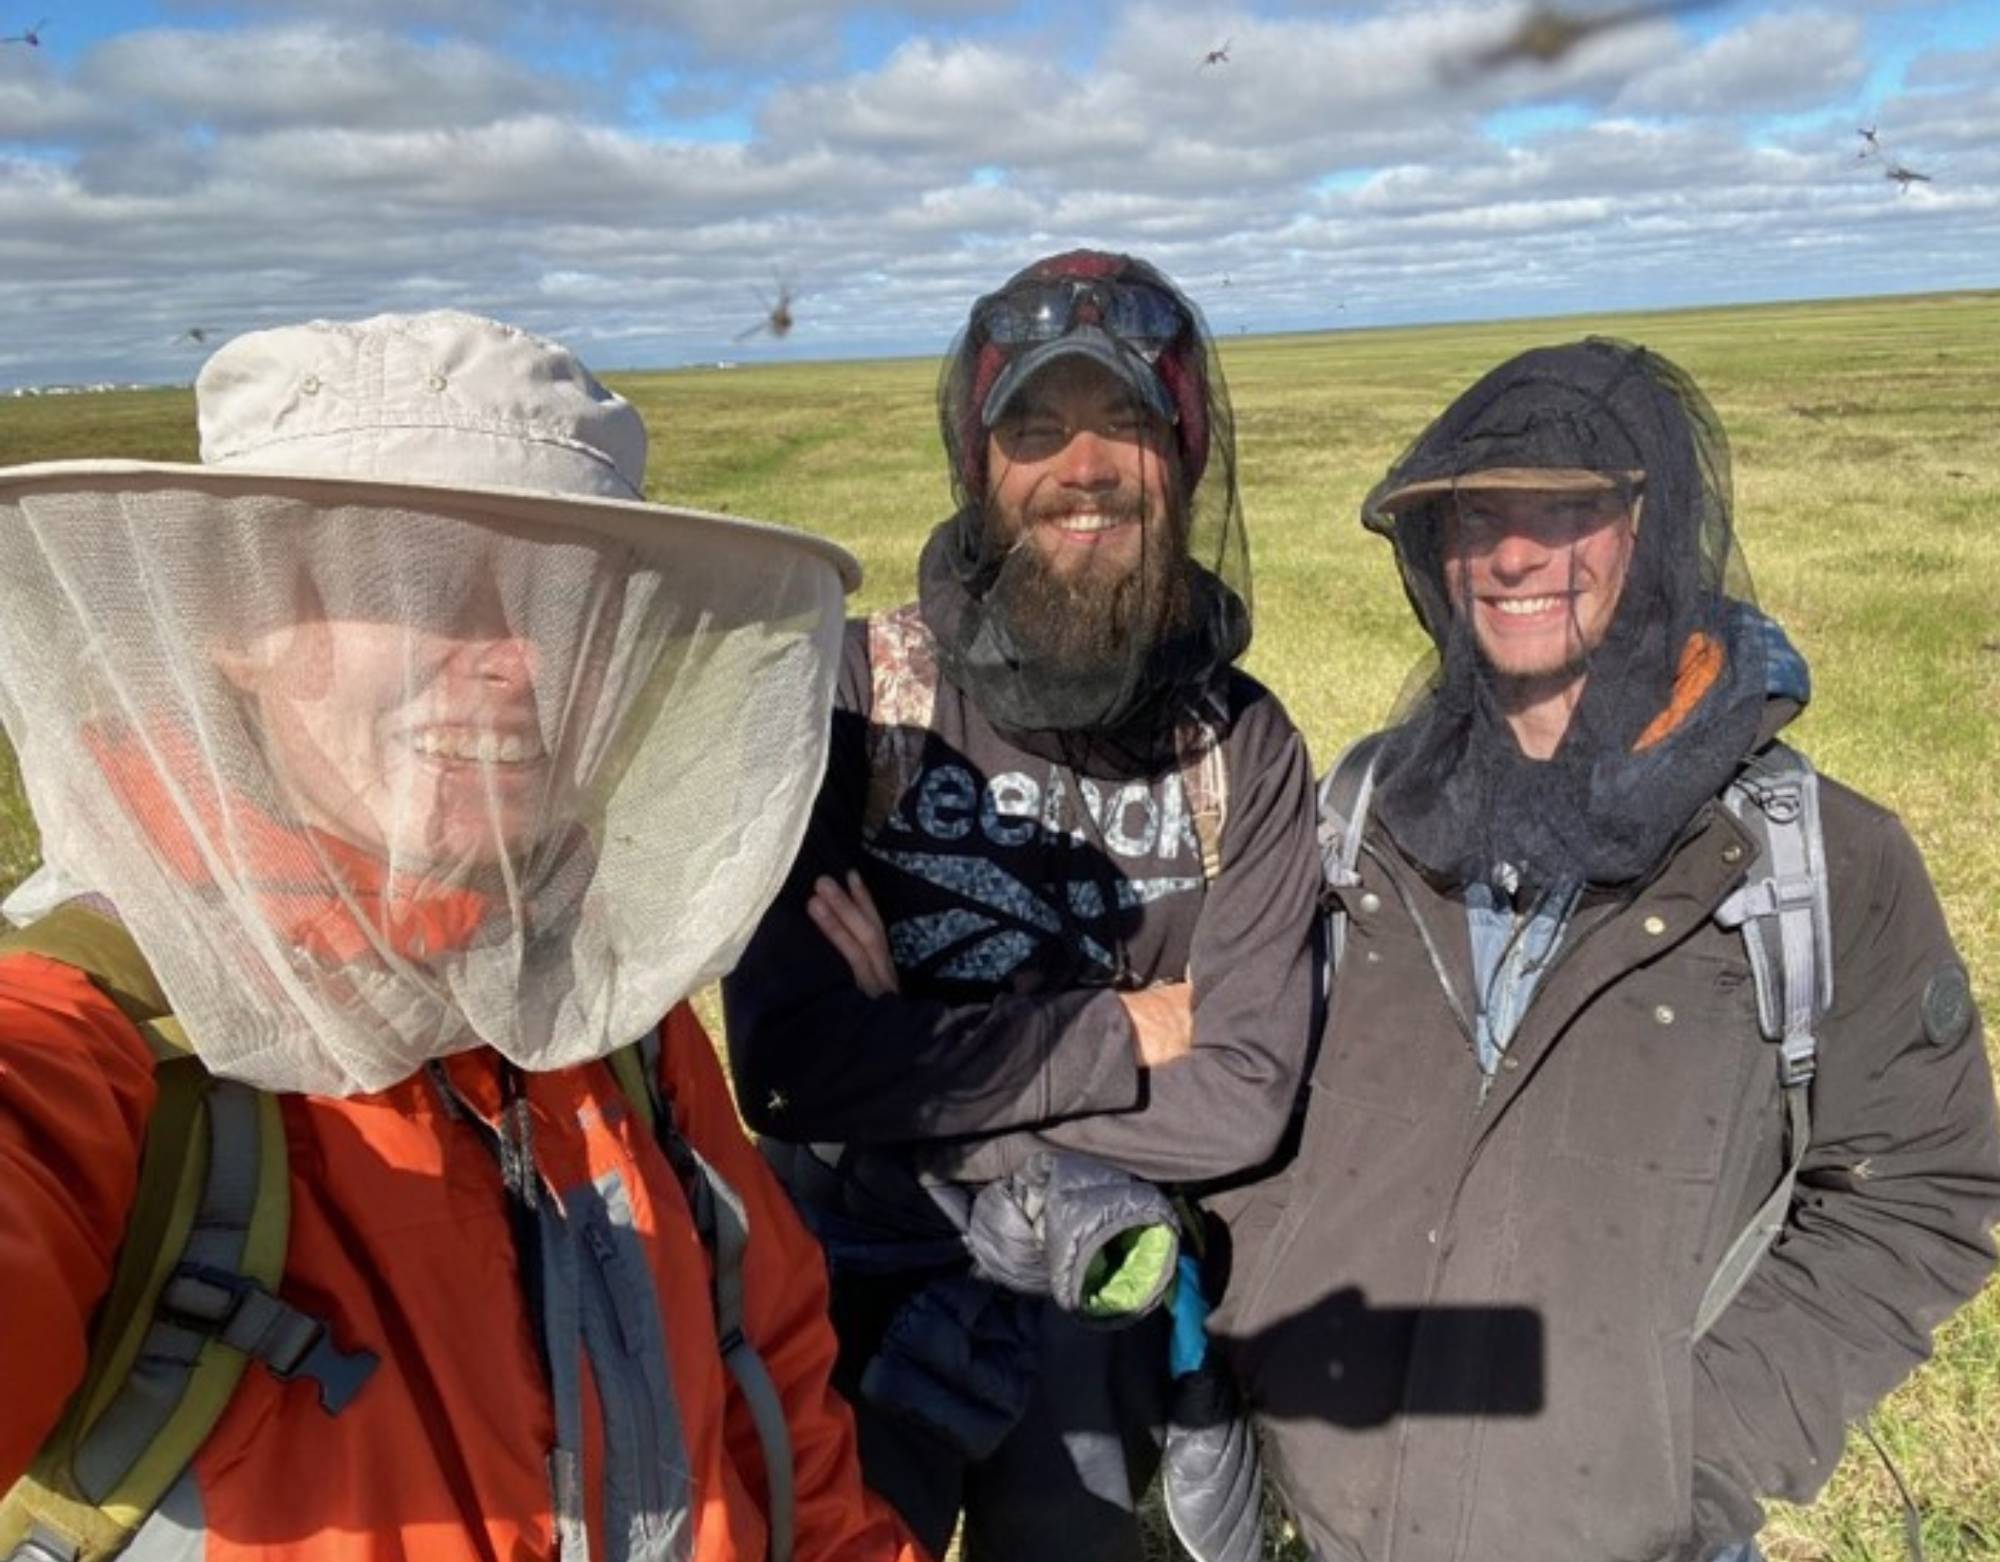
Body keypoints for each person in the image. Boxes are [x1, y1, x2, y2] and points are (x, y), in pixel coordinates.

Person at [0, 311, 929, 1562]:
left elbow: (784, 1423)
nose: (513, 660)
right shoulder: (90, 1036)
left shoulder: (616, 1025)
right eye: (424, 582)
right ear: (235, 620)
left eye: (563, 601)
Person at [1210, 338, 2000, 1562]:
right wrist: (1261, 1317)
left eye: (1566, 507)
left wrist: (1699, 1445)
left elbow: (1921, 1189)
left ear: (1654, 522)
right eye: (1478, 514)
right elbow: (1265, 1093)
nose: (1513, 553)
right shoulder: (1363, 820)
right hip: (1339, 1526)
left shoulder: (1818, 858)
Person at [722, 251, 1320, 1560]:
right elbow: (787, 1064)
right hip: (851, 1293)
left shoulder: (1247, 746)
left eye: (1128, 427)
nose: (1084, 466)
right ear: (978, 464)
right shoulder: (856, 695)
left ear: (1186, 461)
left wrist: (920, 1080)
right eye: (1036, 429)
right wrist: (1121, 1025)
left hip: (1107, 1316)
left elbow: (1247, 1093)